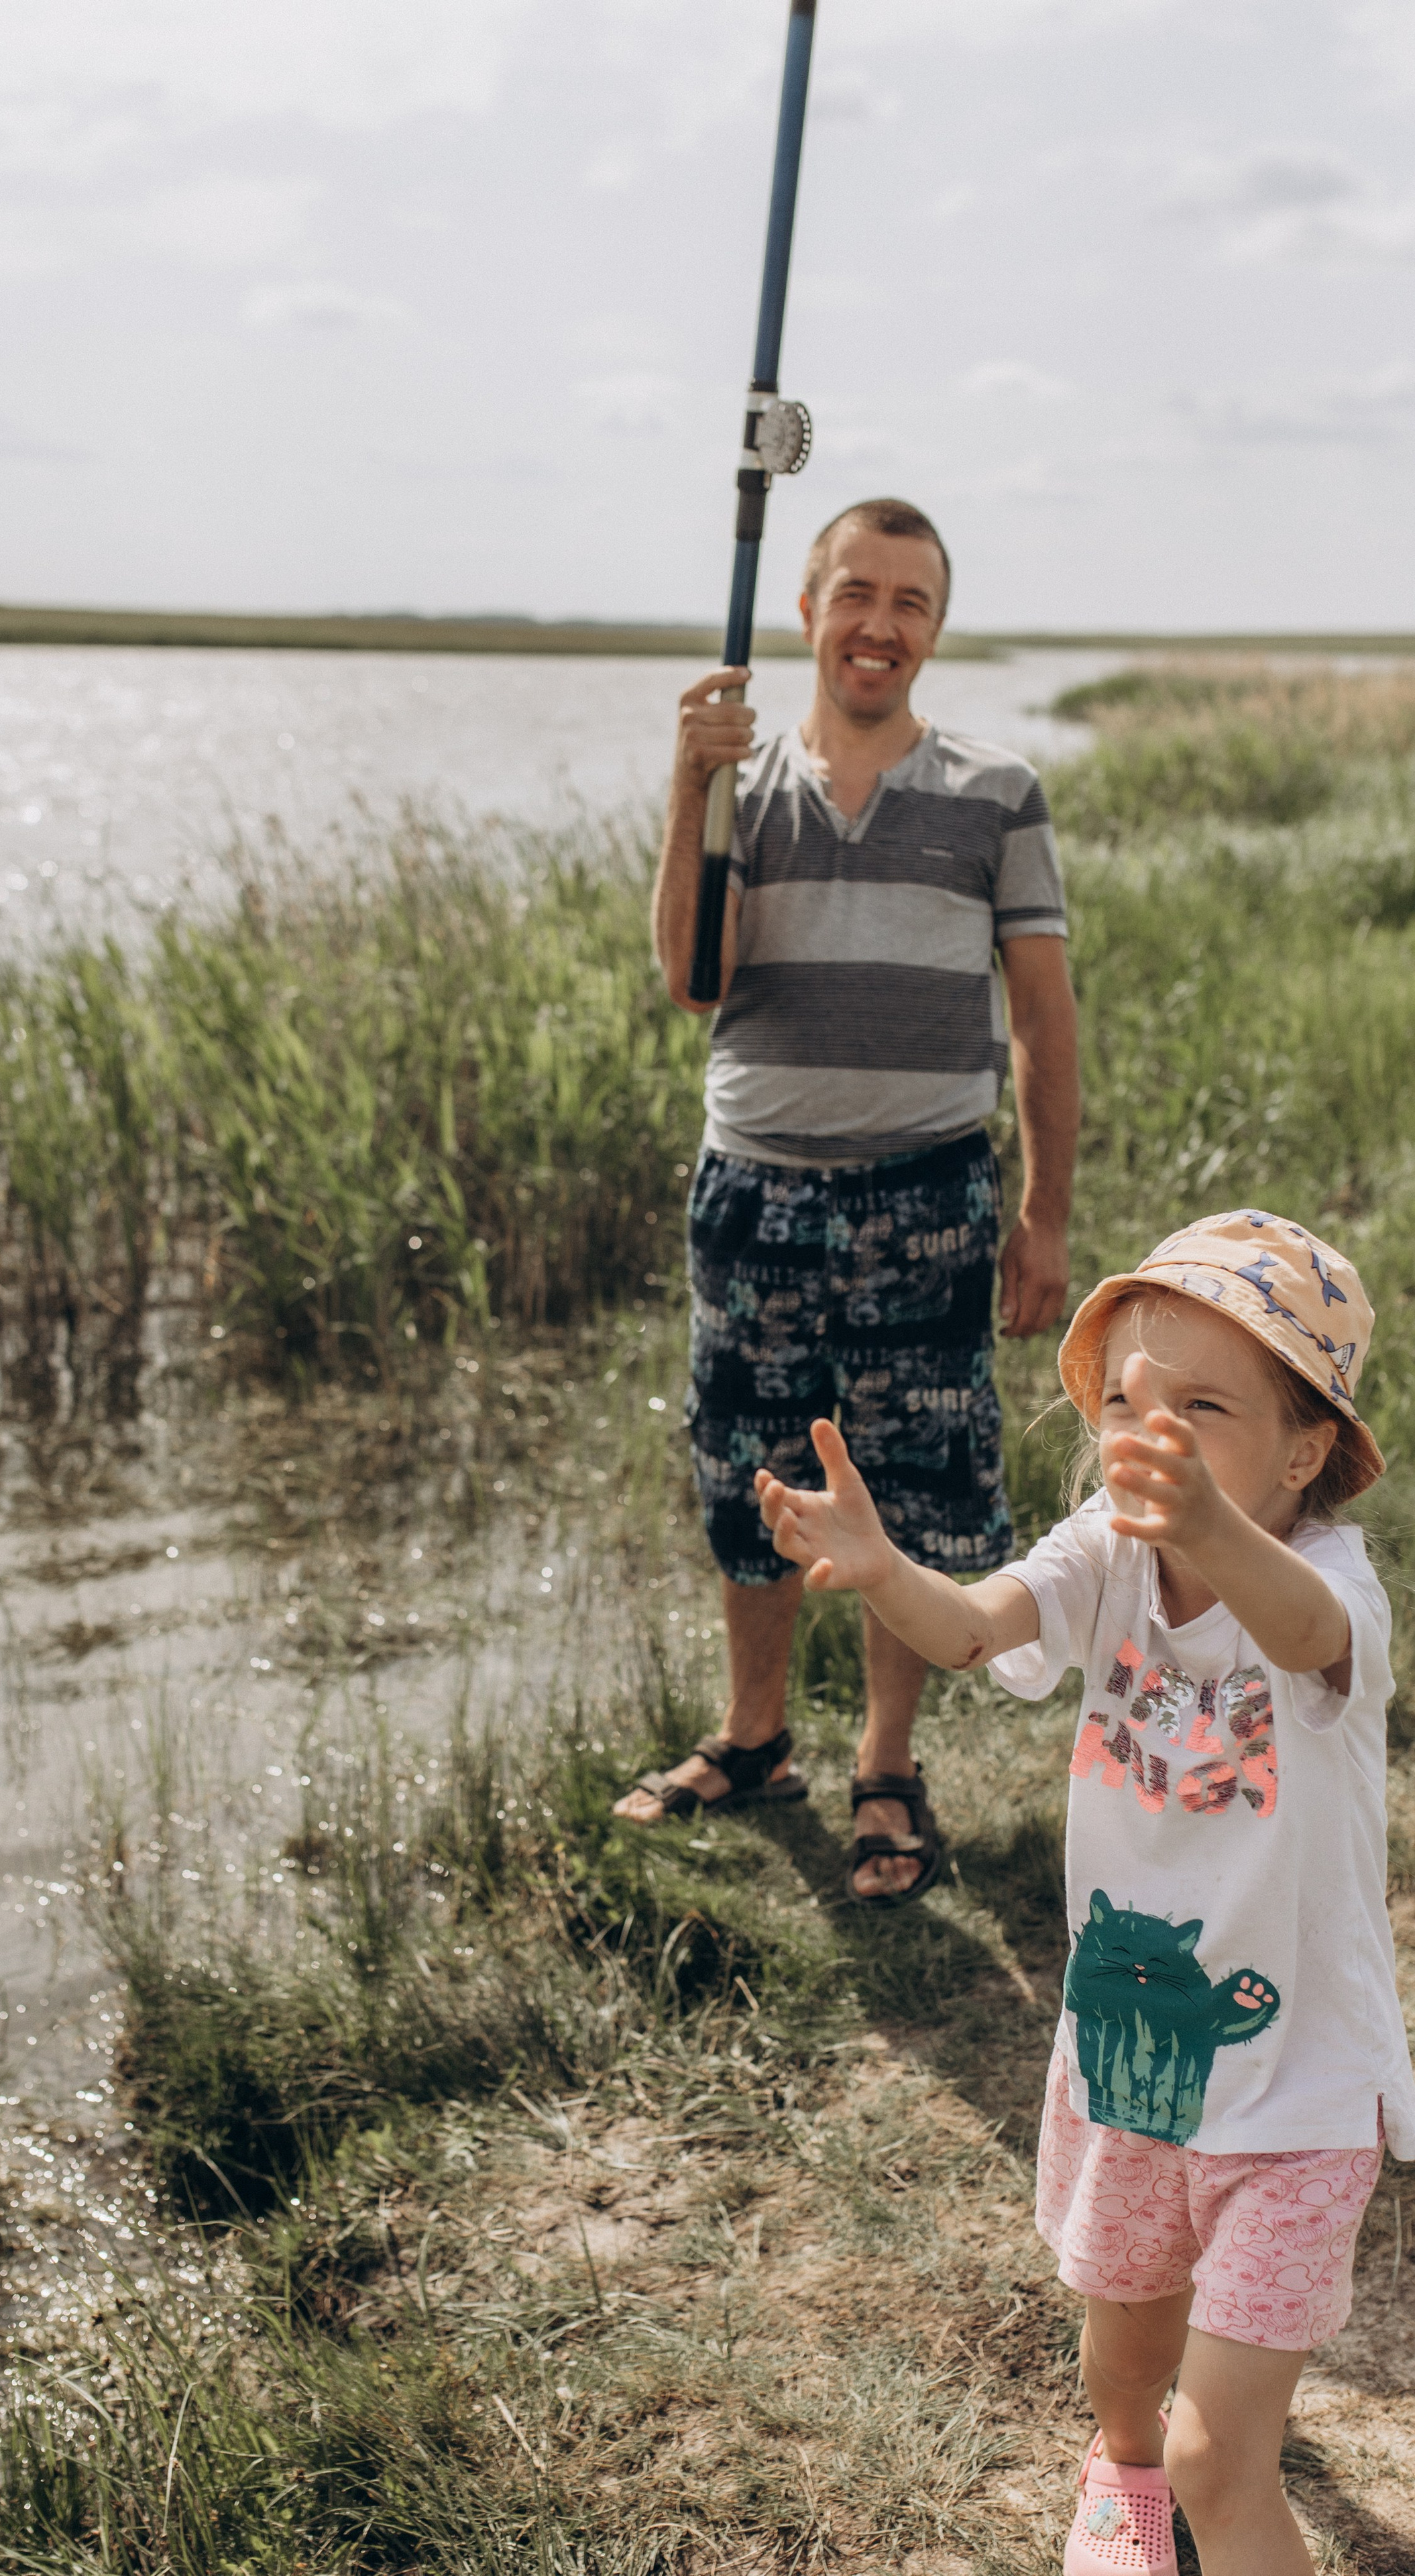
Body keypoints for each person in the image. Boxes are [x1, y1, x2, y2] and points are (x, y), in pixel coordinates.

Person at [757, 1210, 1415, 2576]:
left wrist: (1209, 1525)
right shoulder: (1102, 1551)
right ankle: (1115, 2477)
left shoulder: (1330, 1591)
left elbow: (1299, 1631)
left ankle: (1174, 2479)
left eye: (1198, 1408)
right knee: (1123, 2361)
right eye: (1121, 1399)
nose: (1142, 1429)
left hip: (1295, 2093)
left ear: (1302, 1451)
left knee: (1216, 2453)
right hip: (1133, 2071)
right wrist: (884, 1572)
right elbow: (975, 1628)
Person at [618, 496, 1080, 1904]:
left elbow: (1042, 1021)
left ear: (933, 629)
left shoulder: (994, 791)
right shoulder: (741, 787)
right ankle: (754, 1740)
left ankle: (887, 1765)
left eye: (912, 602)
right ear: (807, 608)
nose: (880, 624)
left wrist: (1044, 1214)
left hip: (928, 1193)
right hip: (752, 1191)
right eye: (856, 593)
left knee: (911, 1491)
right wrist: (687, 789)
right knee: (745, 1475)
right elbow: (695, 978)